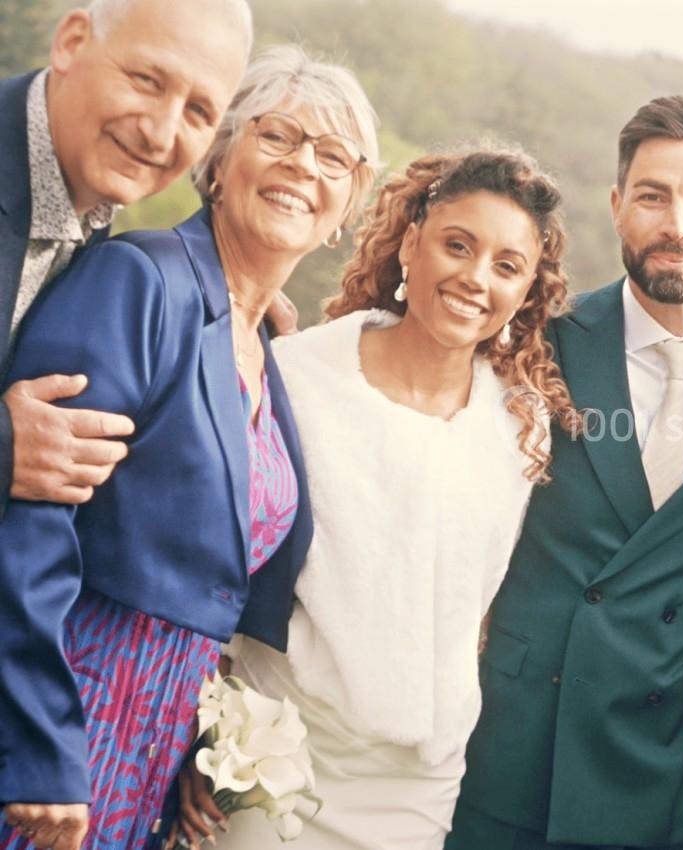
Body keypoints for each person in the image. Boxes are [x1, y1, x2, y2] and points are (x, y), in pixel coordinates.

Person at [0, 44, 380, 850]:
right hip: (61, 721)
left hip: (155, 751)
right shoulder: (138, 281)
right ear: (219, 158)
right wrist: (36, 748)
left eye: (332, 155)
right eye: (277, 136)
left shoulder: (267, 344)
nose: (302, 165)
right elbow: (31, 519)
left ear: (348, 206)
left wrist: (205, 739)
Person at [191, 148, 579, 850]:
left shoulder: (521, 427)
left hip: (418, 785)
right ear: (410, 243)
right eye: (457, 246)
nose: (475, 278)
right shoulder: (296, 377)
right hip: (274, 750)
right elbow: (213, 559)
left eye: (506, 265)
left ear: (525, 294)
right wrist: (198, 730)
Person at [446, 95, 683, 850]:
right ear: (615, 206)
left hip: (661, 782)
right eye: (652, 196)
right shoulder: (535, 343)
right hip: (509, 759)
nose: (677, 224)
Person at [0, 0, 254, 515]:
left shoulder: (92, 213)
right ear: (72, 42)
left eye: (198, 111)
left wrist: (246, 297)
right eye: (146, 80)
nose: (160, 133)